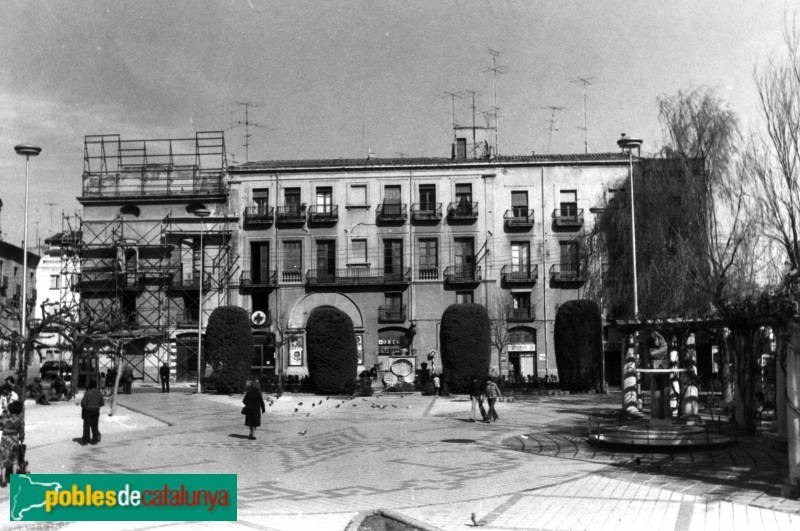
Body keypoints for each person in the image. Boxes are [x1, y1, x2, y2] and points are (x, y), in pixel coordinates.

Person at [0, 400, 25, 487]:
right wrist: (21, 440)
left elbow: (1, 426)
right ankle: (14, 479)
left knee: (3, 459)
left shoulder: (5, 419)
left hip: (4, 439)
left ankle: (3, 480)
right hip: (14, 440)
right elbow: (21, 434)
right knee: (14, 459)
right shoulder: (20, 421)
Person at [80, 381, 104, 445]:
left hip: (88, 410)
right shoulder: (99, 393)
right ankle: (94, 440)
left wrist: (86, 407)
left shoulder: (87, 393)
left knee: (86, 426)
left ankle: (86, 440)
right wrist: (97, 406)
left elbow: (83, 403)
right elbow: (102, 403)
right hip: (96, 411)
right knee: (95, 425)